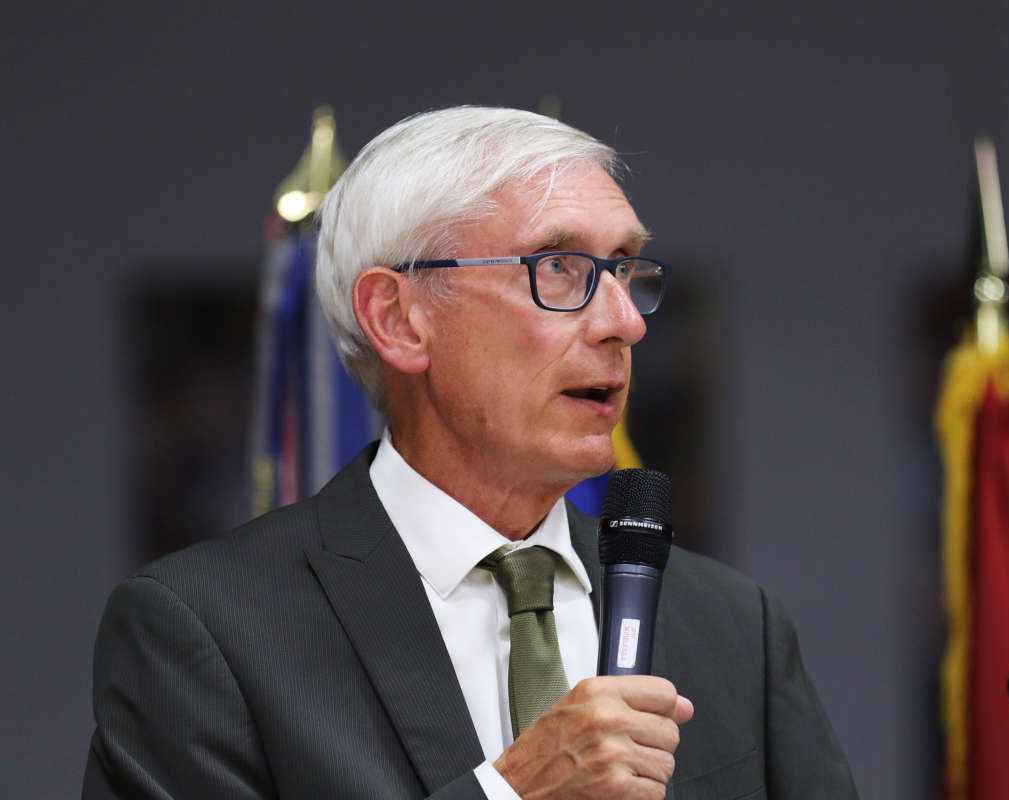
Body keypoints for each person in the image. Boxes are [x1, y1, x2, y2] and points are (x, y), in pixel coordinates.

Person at [83, 106, 858, 799]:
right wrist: (510, 796)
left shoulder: (730, 625)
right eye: (561, 268)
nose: (624, 320)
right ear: (399, 319)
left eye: (626, 270)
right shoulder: (208, 634)